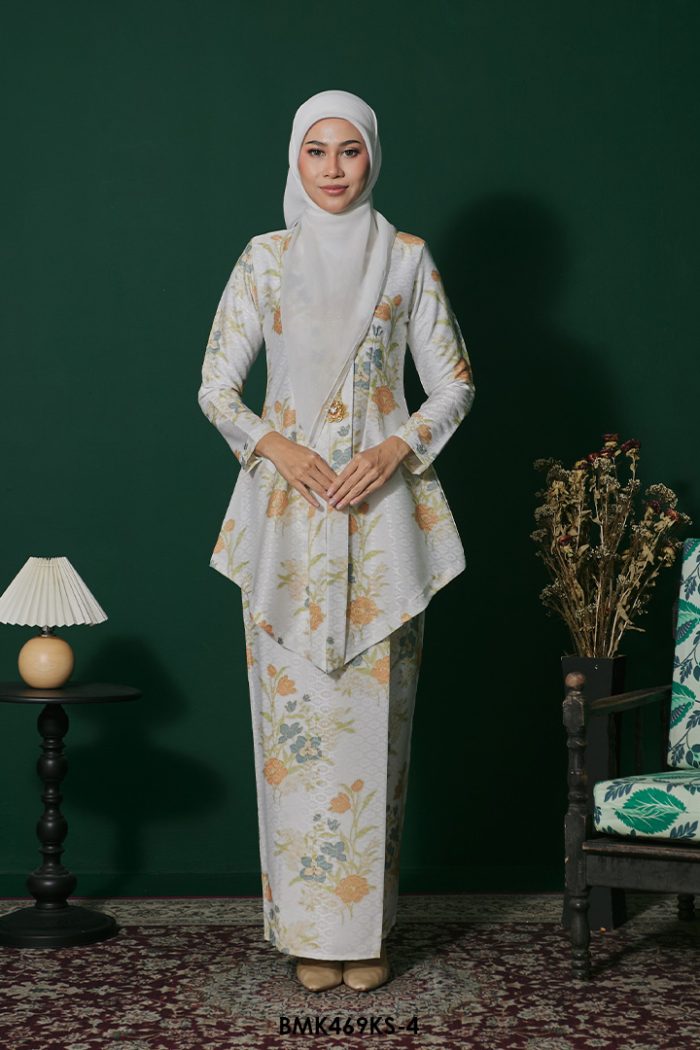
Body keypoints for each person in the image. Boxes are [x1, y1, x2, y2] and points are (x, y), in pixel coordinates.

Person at [198, 89, 475, 992]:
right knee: (293, 735)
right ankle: (307, 936)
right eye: (315, 150)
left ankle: (366, 934)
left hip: (383, 522)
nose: (331, 168)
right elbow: (215, 386)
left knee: (373, 732)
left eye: (348, 150)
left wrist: (397, 448)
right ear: (295, 158)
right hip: (285, 523)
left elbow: (454, 385)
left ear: (372, 158)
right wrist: (274, 445)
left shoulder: (407, 259)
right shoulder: (265, 259)